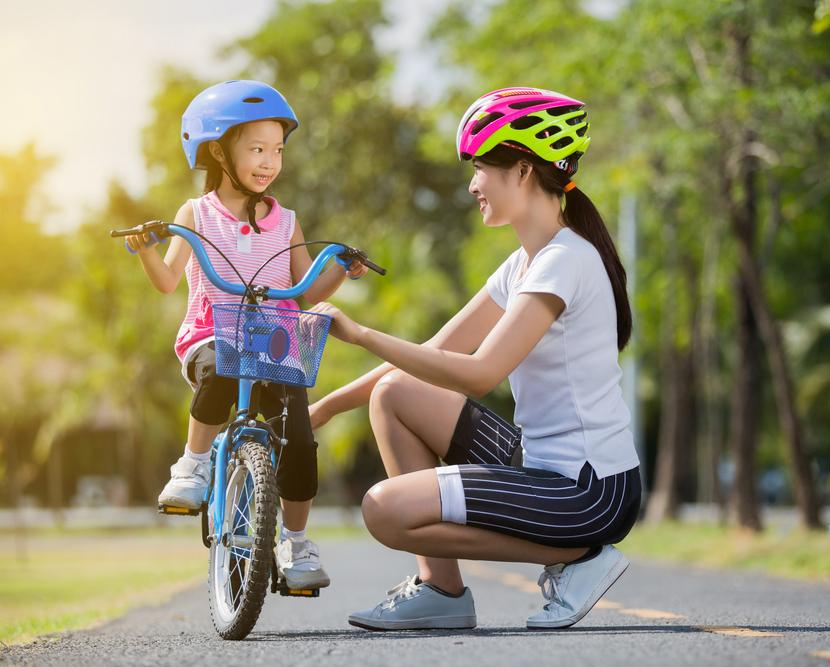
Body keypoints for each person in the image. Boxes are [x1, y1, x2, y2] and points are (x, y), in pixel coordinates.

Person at [309, 86, 641, 630]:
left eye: (480, 168)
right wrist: (322, 410)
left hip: (587, 491)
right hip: (541, 465)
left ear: (524, 170)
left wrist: (363, 333)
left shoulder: (565, 261)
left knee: (384, 509)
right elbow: (436, 352)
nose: (472, 184)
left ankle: (578, 558)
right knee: (394, 395)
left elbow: (482, 372)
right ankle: (442, 590)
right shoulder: (524, 265)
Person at [124, 80, 367, 591]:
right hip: (212, 337)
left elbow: (305, 290)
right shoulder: (197, 214)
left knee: (300, 441)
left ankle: (296, 543)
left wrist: (341, 268)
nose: (269, 162)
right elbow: (169, 281)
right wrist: (147, 247)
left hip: (275, 347)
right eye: (256, 149)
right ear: (218, 150)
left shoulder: (288, 222)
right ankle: (191, 466)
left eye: (277, 150)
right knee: (221, 363)